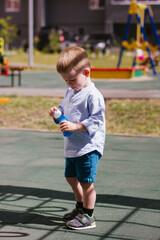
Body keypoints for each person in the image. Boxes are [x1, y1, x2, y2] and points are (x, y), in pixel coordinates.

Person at [49, 46, 105, 230]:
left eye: (72, 79)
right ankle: (80, 208)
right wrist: (57, 113)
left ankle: (89, 216)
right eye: (65, 80)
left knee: (86, 183)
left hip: (88, 148)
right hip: (73, 146)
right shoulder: (71, 91)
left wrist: (76, 126)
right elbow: (64, 109)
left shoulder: (93, 95)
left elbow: (97, 121)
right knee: (71, 178)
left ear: (86, 72)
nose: (69, 84)